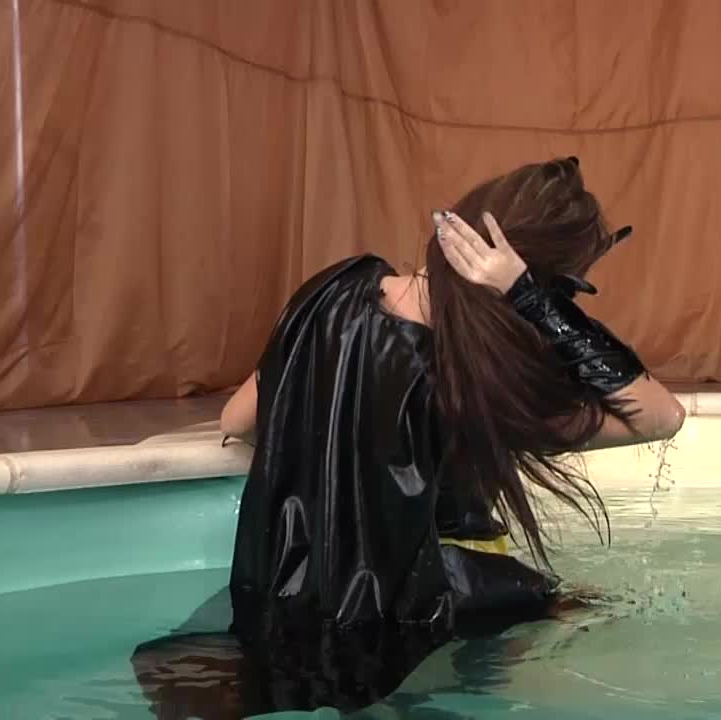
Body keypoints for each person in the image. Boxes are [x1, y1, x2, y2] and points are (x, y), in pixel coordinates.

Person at [131, 157, 685, 717]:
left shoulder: (336, 289)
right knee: (593, 606)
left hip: (288, 589)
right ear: (536, 283)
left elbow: (236, 422)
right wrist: (533, 302)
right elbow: (660, 417)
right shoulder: (481, 388)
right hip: (418, 610)